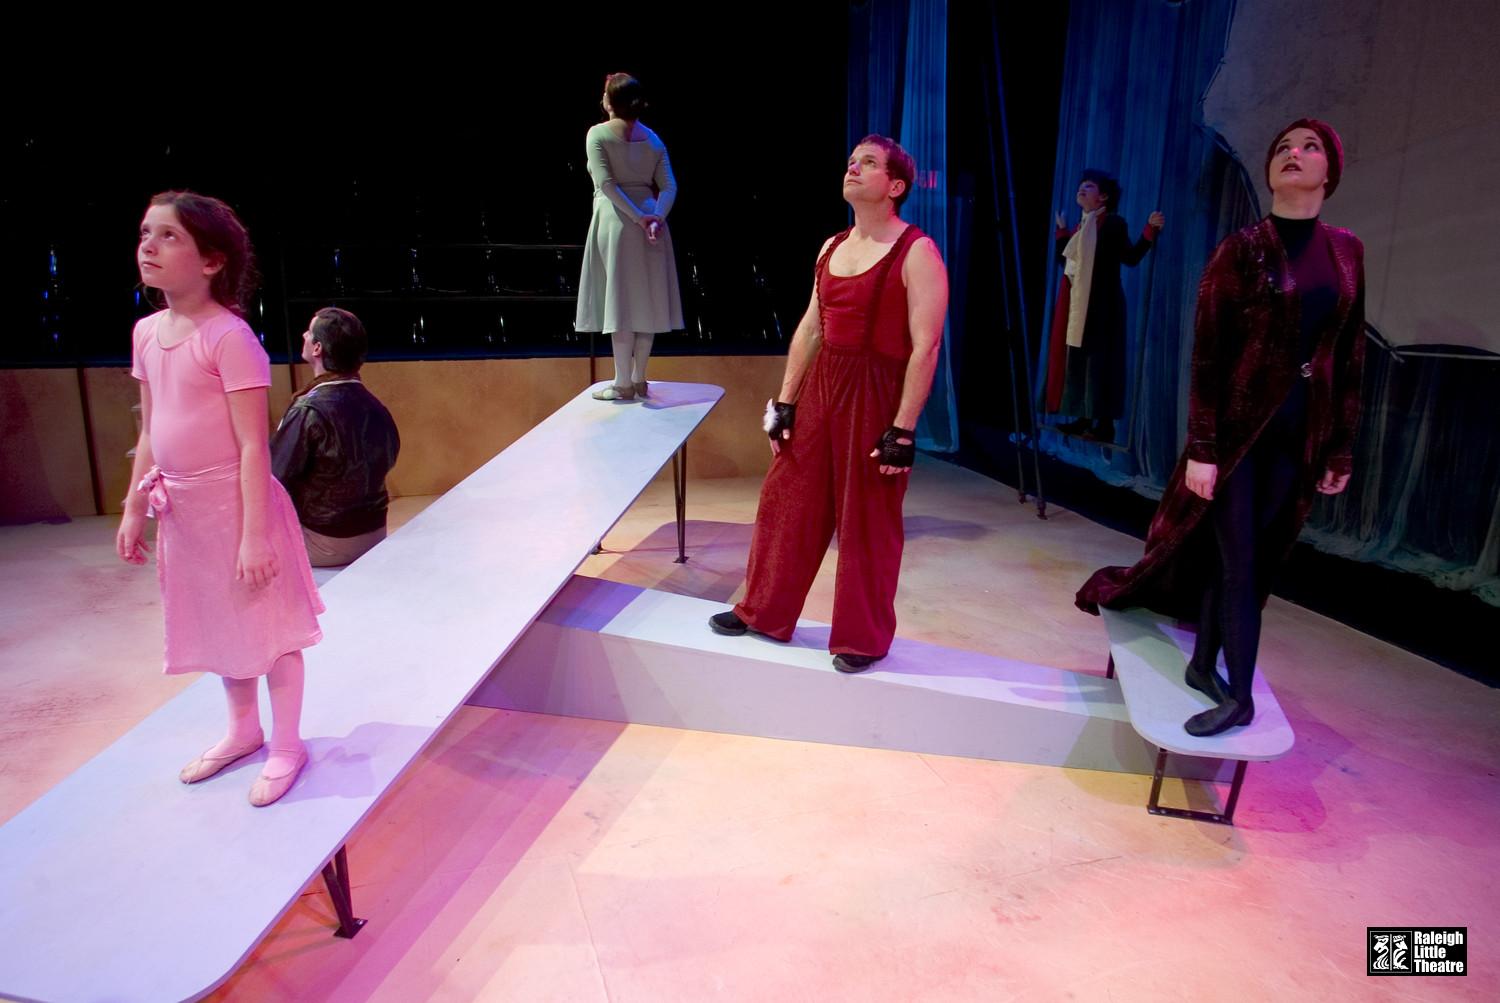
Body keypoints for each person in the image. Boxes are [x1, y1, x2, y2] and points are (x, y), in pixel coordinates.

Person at [1077, 119, 1366, 737]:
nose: (1293, 153)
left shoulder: (1347, 251)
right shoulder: (1242, 249)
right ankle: (1240, 698)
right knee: (1240, 562)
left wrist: (1340, 446)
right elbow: (1207, 356)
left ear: (1330, 171)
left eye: (1309, 147)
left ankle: (1204, 663)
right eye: (1282, 146)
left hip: (1299, 436)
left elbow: (1349, 355)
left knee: (1249, 558)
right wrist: (1203, 449)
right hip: (1238, 439)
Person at [708, 135, 949, 672]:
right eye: (851, 161)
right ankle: (762, 610)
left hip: (875, 391)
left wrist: (903, 429)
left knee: (867, 518)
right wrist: (785, 402)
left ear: (895, 186)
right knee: (787, 497)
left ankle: (862, 637)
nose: (853, 168)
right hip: (823, 385)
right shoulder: (831, 247)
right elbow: (811, 328)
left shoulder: (917, 252)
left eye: (869, 163)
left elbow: (927, 346)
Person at [118, 191, 323, 806]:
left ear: (211, 261)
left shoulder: (229, 337)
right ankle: (242, 730)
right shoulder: (146, 333)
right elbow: (150, 427)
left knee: (270, 627)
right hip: (183, 512)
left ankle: (287, 743)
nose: (149, 246)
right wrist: (133, 506)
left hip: (237, 506)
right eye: (146, 233)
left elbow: (254, 445)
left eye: (169, 236)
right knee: (218, 623)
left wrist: (254, 535)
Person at [574, 72, 684, 401]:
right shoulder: (653, 139)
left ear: (609, 102)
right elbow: (669, 186)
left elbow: (607, 184)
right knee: (645, 301)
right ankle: (639, 378)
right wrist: (655, 218)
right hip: (651, 225)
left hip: (618, 222)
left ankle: (623, 382)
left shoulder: (597, 134)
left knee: (621, 303)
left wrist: (639, 219)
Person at [271, 307, 400, 567]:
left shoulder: (308, 410)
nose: (303, 335)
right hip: (375, 533)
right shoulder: (376, 407)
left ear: (318, 348)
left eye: (309, 332)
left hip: (328, 541)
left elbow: (275, 479)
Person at [1044, 169, 1164, 442]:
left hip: (1103, 305)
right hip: (1080, 303)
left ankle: (1105, 424)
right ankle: (1083, 418)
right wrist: (1062, 234)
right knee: (1080, 359)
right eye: (1081, 185)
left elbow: (1130, 257)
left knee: (1102, 361)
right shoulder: (1081, 227)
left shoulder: (1112, 224)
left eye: (1089, 186)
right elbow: (1069, 265)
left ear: (1104, 197)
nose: (1082, 189)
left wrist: (1149, 231)